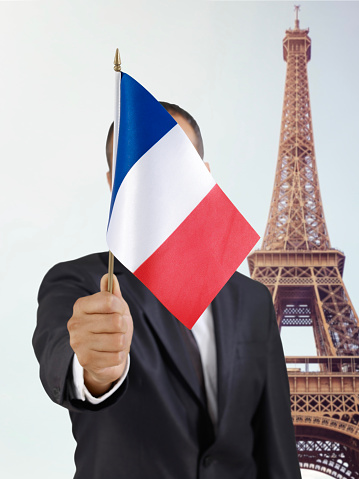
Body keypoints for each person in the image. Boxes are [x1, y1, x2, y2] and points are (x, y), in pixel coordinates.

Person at [33, 102, 302, 479]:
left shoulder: (254, 301)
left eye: (178, 164)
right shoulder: (77, 283)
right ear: (115, 184)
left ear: (205, 177)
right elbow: (64, 362)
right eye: (140, 166)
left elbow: (276, 451)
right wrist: (97, 368)